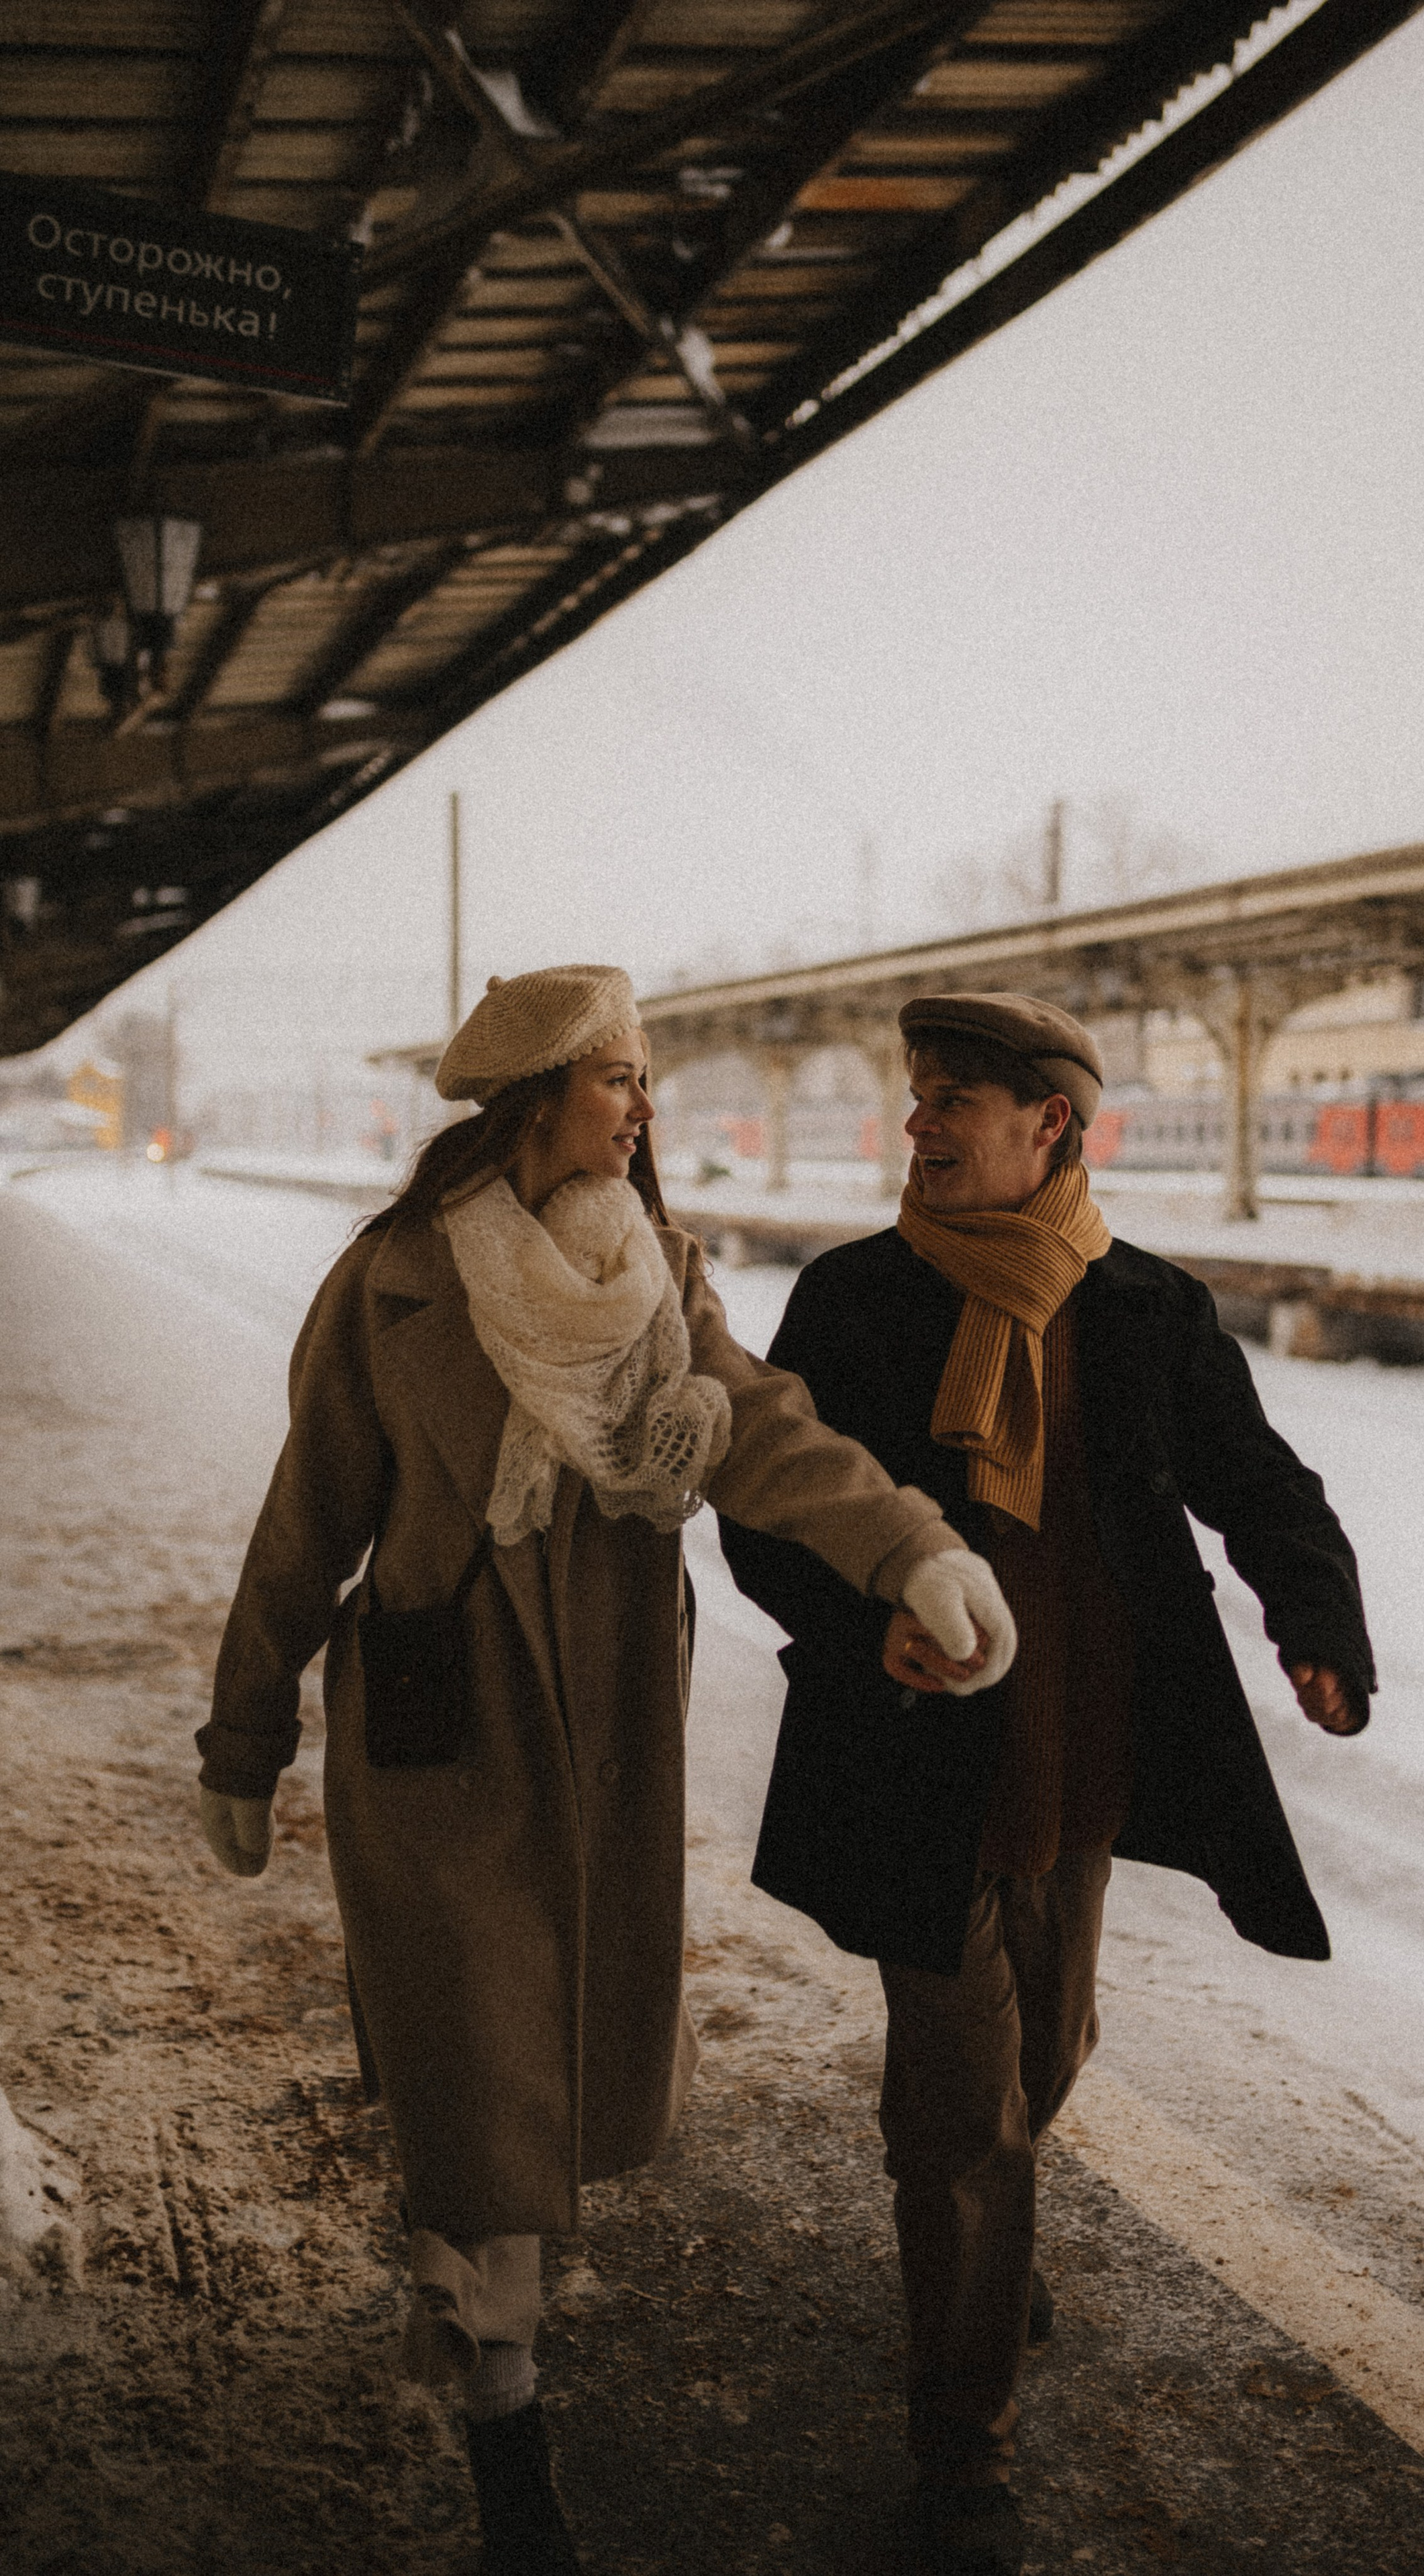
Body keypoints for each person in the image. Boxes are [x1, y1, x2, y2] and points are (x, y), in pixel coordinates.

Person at [193, 964, 1015, 2574]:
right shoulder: (396, 1282)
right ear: (537, 1096)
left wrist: (903, 1551)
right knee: (482, 2056)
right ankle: (506, 2417)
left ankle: (495, 2348)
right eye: (619, 1079)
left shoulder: (657, 1278)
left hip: (612, 1719)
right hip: (444, 1720)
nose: (643, 1110)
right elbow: (308, 1523)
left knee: (560, 2053)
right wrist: (245, 1729)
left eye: (642, 1082)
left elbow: (762, 1427)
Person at [720, 990, 1374, 2576]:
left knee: (1050, 2053)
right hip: (915, 1767)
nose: (920, 1124)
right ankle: (964, 2452)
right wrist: (865, 1622)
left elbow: (1256, 1482)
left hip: (1085, 1762)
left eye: (955, 1100)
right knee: (958, 2119)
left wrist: (1318, 1621)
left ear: (1051, 1130)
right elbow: (764, 1507)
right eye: (917, 1096)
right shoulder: (857, 1298)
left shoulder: (1143, 1310)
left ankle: (983, 2271)